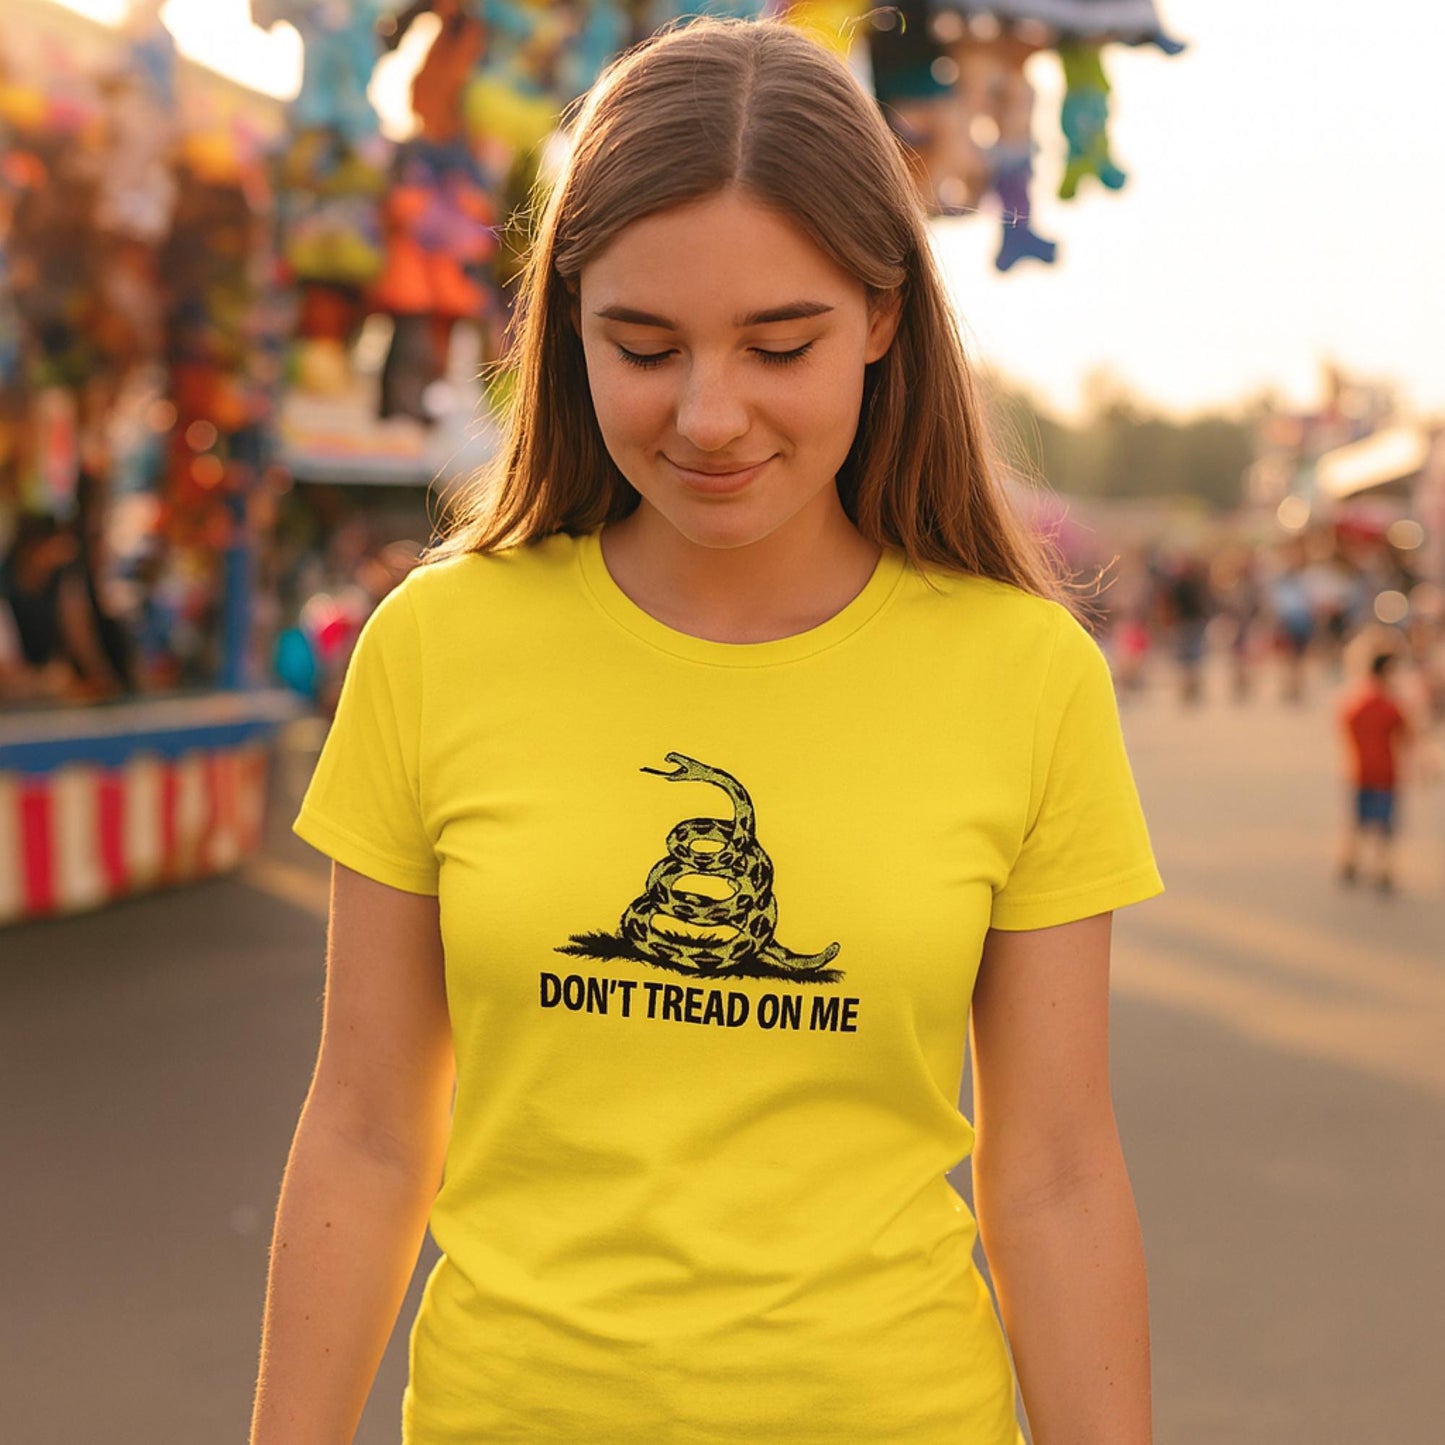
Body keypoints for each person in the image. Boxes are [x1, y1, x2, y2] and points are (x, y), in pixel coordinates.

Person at [250, 18, 1163, 1445]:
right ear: (564, 327)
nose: (709, 414)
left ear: (878, 317)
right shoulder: (435, 645)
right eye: (644, 344)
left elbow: (1049, 1173)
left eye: (778, 342)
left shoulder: (1026, 676)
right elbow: (367, 1132)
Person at [1337, 649, 1411, 894]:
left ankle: (1351, 861)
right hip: (1384, 773)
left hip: (1360, 771)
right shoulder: (1389, 704)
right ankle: (1383, 870)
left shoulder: (1358, 701)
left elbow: (1345, 725)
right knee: (1384, 826)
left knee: (1358, 820)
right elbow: (1407, 734)